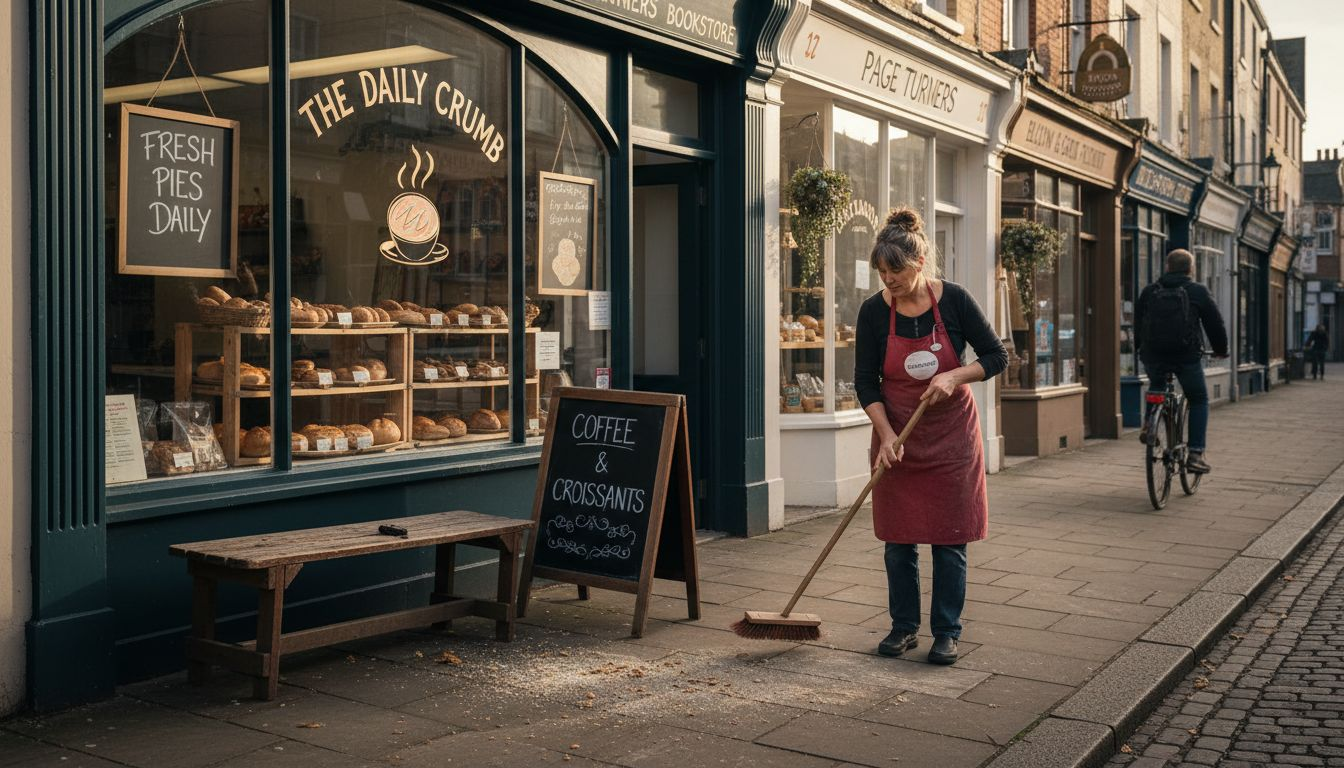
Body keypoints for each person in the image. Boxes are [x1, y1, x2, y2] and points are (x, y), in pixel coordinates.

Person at [854, 207, 1006, 666]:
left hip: (950, 439)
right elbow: (865, 382)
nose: (888, 281)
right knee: (898, 541)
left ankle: (946, 632)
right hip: (896, 435)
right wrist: (885, 436)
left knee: (948, 539)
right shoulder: (873, 312)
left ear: (919, 264)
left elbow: (997, 357)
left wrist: (955, 376)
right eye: (881, 272)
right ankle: (903, 627)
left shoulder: (955, 300)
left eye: (895, 271)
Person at [1134, 249, 1228, 474]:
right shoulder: (1197, 291)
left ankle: (1150, 426)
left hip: (1154, 356)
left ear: (1167, 267)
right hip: (1186, 357)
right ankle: (1195, 453)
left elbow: (1138, 324)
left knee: (1156, 387)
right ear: (1190, 269)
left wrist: (1141, 349)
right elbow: (1215, 324)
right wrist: (1220, 350)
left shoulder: (1149, 291)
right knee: (1198, 398)